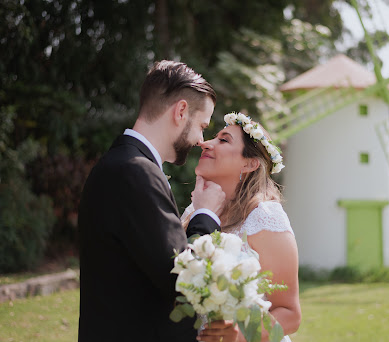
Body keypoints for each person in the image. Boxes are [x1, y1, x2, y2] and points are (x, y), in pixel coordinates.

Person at [78, 60, 227, 342]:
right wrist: (205, 214)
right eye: (202, 126)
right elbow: (182, 280)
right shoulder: (136, 173)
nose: (201, 140)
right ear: (181, 111)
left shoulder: (119, 163)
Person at [181, 112, 301, 342]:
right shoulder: (192, 213)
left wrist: (243, 335)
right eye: (213, 137)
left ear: (249, 163)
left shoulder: (264, 217)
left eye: (223, 140)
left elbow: (290, 314)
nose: (206, 143)